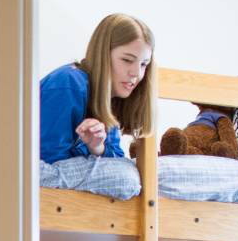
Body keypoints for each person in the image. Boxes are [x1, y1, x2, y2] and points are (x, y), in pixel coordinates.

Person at [39, 13, 154, 164]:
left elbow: (116, 161)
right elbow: (49, 161)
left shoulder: (108, 98)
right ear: (103, 54)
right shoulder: (68, 84)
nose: (136, 73)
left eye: (144, 64)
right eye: (127, 60)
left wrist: (97, 147)